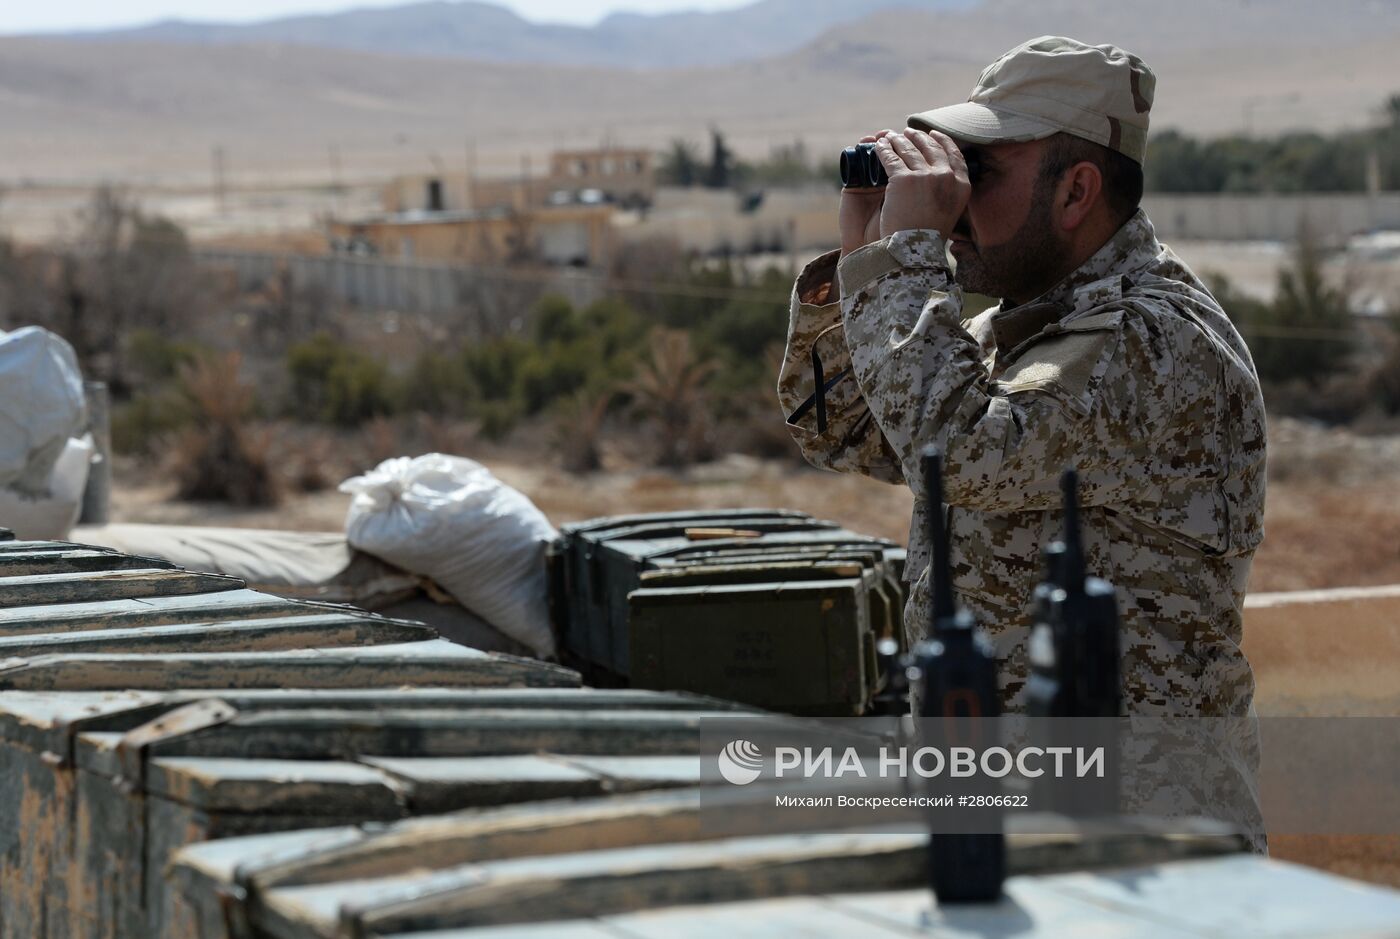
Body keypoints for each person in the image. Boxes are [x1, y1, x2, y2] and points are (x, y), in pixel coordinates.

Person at [778, 36, 1267, 843]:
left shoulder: (1154, 339)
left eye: (983, 171)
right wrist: (863, 255)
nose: (955, 197)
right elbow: (848, 431)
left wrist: (905, 266)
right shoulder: (1023, 332)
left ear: (1075, 191)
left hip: (1143, 835)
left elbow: (967, 451)